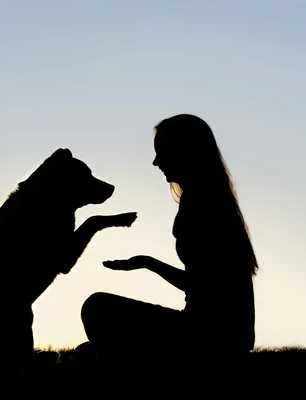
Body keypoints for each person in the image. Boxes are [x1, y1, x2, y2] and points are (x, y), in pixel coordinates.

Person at [79, 114, 259, 375]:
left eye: (162, 152)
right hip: (224, 338)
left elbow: (200, 284)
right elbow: (203, 281)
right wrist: (146, 263)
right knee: (98, 341)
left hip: (207, 337)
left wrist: (147, 264)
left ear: (185, 152)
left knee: (97, 307)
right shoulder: (215, 201)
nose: (156, 161)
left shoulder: (200, 204)